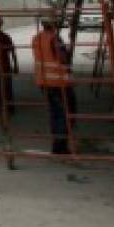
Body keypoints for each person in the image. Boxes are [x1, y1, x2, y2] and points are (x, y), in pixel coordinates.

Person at [32, 17, 74, 154]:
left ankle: (57, 143)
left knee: (55, 113)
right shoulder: (55, 39)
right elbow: (62, 58)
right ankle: (60, 146)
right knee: (64, 113)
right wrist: (67, 49)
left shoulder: (37, 38)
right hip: (58, 82)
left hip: (44, 81)